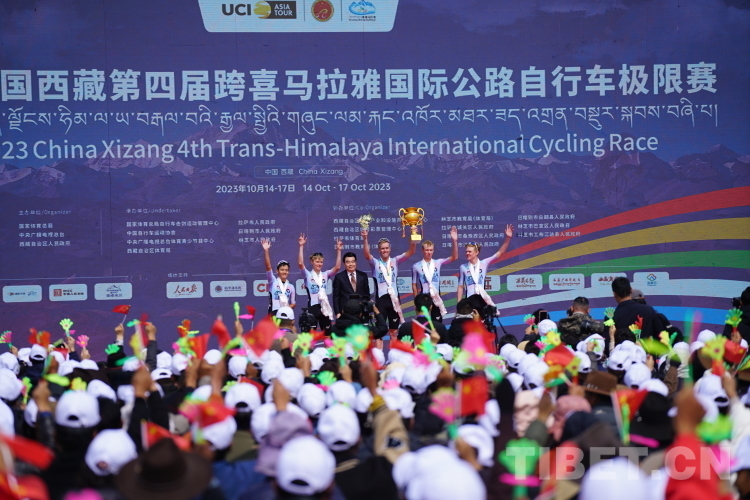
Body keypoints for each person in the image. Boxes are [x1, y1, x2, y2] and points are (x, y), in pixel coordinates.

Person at [361, 229, 416, 337]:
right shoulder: (375, 263)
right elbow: (367, 255)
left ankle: (393, 349)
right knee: (379, 332)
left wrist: (413, 235)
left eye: (386, 248)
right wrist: (365, 238)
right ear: (379, 250)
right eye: (382, 248)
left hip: (394, 300)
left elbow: (411, 252)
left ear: (390, 249)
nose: (385, 250)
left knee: (394, 331)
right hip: (381, 301)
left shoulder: (395, 261)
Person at [456, 224, 515, 307]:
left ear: (477, 252)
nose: (467, 253)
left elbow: (500, 253)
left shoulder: (484, 263)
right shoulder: (463, 267)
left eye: (469, 251)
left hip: (482, 299)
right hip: (469, 300)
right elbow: (460, 286)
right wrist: (459, 305)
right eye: (466, 251)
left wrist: (508, 238)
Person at [411, 226, 458, 323]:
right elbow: (414, 285)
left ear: (433, 251)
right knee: (423, 323)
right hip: (423, 297)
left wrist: (454, 241)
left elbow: (454, 257)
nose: (429, 252)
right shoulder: (416, 266)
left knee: (437, 323)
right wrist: (416, 301)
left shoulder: (438, 263)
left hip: (436, 296)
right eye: (427, 250)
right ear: (422, 250)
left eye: (431, 250)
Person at [298, 234, 343, 334]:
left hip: (324, 307)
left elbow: (337, 267)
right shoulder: (307, 275)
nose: (319, 264)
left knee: (327, 335)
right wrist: (301, 246)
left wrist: (339, 250)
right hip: (312, 308)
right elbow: (301, 264)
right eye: (317, 261)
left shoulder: (325, 274)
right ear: (312, 262)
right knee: (309, 336)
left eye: (321, 262)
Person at [261, 238, 295, 314]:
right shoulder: (272, 281)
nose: (284, 272)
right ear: (277, 271)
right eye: (282, 270)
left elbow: (293, 303)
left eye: (286, 270)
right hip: (273, 314)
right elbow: (268, 267)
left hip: (285, 314)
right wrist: (266, 251)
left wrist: (286, 308)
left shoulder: (291, 287)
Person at [332, 252, 371, 317]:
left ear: (355, 262)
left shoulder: (363, 275)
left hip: (361, 311)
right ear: (344, 263)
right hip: (345, 311)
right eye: (348, 262)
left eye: (353, 262)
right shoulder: (339, 277)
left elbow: (366, 294)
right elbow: (336, 297)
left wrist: (366, 308)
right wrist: (337, 313)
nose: (350, 264)